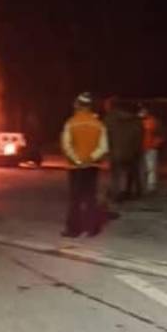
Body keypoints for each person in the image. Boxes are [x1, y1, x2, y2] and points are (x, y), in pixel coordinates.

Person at [61, 92, 108, 237]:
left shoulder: (71, 123)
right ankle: (92, 229)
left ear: (78, 105)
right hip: (92, 166)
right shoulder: (99, 124)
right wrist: (91, 158)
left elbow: (66, 145)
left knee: (75, 198)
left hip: (76, 168)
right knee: (90, 197)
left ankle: (74, 230)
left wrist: (77, 160)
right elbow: (104, 147)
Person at [103, 97, 143, 201]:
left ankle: (117, 194)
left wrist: (106, 151)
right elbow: (138, 135)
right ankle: (132, 191)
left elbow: (106, 136)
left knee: (115, 174)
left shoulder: (109, 119)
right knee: (132, 171)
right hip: (131, 151)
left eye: (106, 105)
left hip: (116, 151)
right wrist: (136, 149)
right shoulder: (134, 119)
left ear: (111, 106)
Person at [139, 105, 164, 194]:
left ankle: (151, 185)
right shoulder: (139, 122)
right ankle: (143, 185)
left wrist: (155, 144)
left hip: (150, 148)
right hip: (141, 148)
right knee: (143, 168)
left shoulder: (153, 121)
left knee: (151, 168)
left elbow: (160, 135)